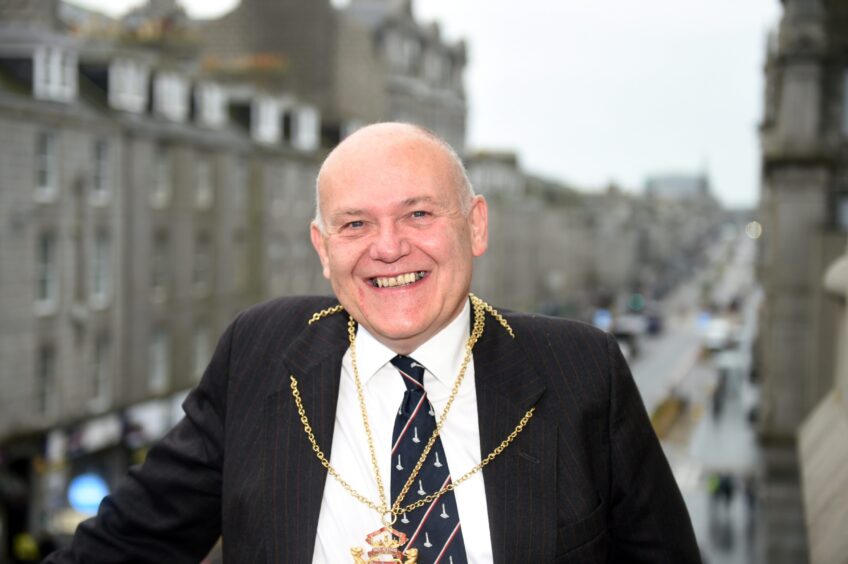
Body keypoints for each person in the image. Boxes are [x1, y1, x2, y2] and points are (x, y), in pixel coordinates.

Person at [45, 123, 701, 563]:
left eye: (419, 214)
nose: (389, 248)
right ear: (322, 249)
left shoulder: (581, 371)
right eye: (355, 224)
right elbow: (123, 546)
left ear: (474, 225)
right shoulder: (259, 353)